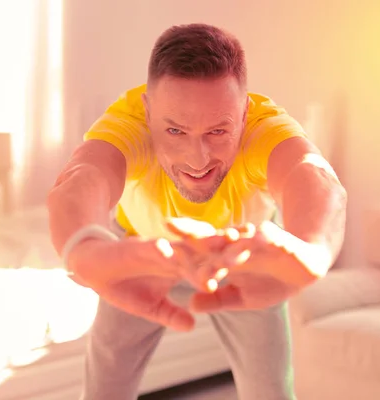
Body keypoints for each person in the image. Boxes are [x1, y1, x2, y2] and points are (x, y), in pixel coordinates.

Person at [47, 23, 347, 400]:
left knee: (271, 393)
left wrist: (313, 249)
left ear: (244, 113)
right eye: (175, 132)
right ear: (148, 110)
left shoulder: (264, 128)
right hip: (141, 253)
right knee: (104, 391)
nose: (198, 158)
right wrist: (83, 247)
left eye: (217, 132)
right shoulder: (128, 122)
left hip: (242, 260)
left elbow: (314, 176)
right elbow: (84, 175)